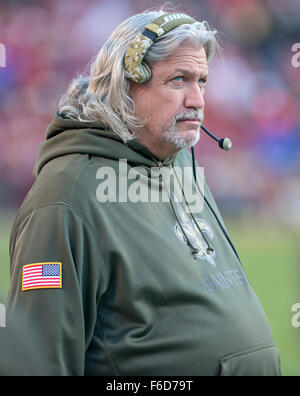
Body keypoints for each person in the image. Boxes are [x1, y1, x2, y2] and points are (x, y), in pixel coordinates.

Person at [7, 9, 281, 376]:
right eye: (179, 80)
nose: (198, 100)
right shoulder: (66, 197)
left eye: (202, 81)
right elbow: (36, 363)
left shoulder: (178, 161)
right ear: (125, 86)